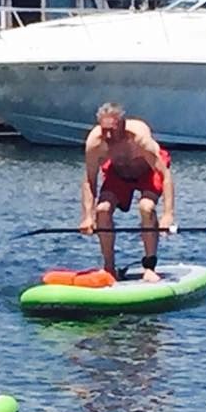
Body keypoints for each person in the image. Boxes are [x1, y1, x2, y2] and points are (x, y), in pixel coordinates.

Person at [79, 102, 176, 282]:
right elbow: (89, 180)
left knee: (146, 207)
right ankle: (109, 267)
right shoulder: (95, 143)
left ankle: (149, 265)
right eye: (104, 130)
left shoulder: (139, 139)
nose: (108, 136)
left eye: (112, 130)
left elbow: (166, 176)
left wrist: (168, 214)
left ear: (122, 125)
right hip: (119, 173)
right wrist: (87, 216)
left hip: (148, 171)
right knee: (102, 210)